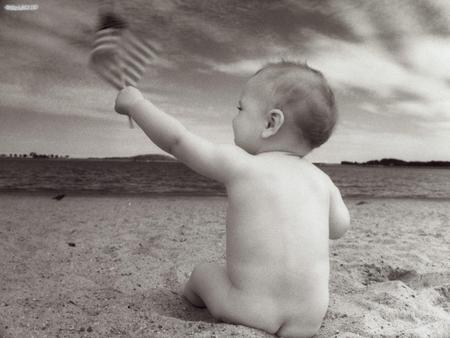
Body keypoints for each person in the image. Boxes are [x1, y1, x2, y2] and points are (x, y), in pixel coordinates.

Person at [115, 61, 350, 338]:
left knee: (203, 273)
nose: (234, 117)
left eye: (241, 108)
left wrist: (136, 105)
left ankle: (191, 297)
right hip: (308, 320)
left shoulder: (243, 165)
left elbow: (177, 141)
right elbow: (339, 228)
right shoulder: (322, 180)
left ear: (270, 123)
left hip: (250, 311)